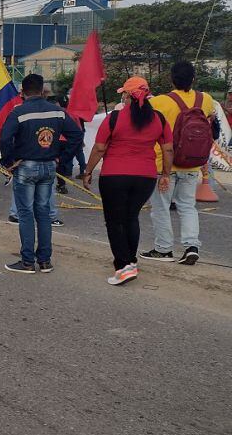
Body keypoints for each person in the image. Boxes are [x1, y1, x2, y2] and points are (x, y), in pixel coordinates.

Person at [82, 77, 173, 285]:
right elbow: (168, 148)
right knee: (131, 217)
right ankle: (130, 261)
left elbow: (99, 148)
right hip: (146, 177)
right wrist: (166, 174)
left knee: (115, 221)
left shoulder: (114, 118)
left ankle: (123, 266)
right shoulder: (158, 119)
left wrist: (87, 171)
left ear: (127, 95)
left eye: (123, 93)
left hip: (114, 175)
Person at [0, 74, 83, 274]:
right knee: (44, 213)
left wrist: (9, 162)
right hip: (49, 167)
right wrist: (62, 159)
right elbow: (76, 136)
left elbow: (5, 139)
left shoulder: (18, 112)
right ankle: (45, 260)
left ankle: (27, 261)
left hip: (26, 166)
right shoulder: (58, 112)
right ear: (42, 90)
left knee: (26, 213)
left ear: (23, 92)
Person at [140, 61, 216, 265]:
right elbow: (211, 119)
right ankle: (192, 246)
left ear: (171, 79)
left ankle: (163, 249)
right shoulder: (206, 99)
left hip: (163, 164)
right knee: (188, 206)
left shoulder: (159, 102)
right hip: (193, 163)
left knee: (161, 207)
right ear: (194, 78)